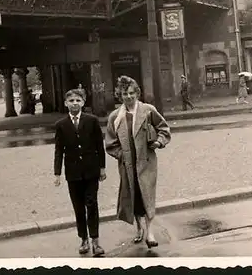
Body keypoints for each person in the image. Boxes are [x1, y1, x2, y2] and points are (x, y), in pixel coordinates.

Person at [104, 76, 171, 248]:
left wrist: (159, 142)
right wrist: (122, 155)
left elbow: (163, 128)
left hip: (146, 162)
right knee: (133, 197)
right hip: (127, 165)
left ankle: (150, 233)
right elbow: (110, 144)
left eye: (132, 93)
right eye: (125, 93)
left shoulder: (148, 110)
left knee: (147, 195)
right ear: (120, 95)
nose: (129, 96)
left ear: (138, 93)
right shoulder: (115, 117)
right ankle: (139, 228)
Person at [54, 89, 107, 256]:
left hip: (91, 172)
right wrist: (57, 173)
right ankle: (83, 239)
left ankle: (95, 241)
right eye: (71, 101)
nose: (75, 103)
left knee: (92, 204)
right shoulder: (61, 125)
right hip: (73, 173)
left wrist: (102, 168)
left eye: (78, 100)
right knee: (78, 207)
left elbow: (100, 146)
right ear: (66, 103)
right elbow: (58, 150)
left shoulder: (91, 121)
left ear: (83, 102)